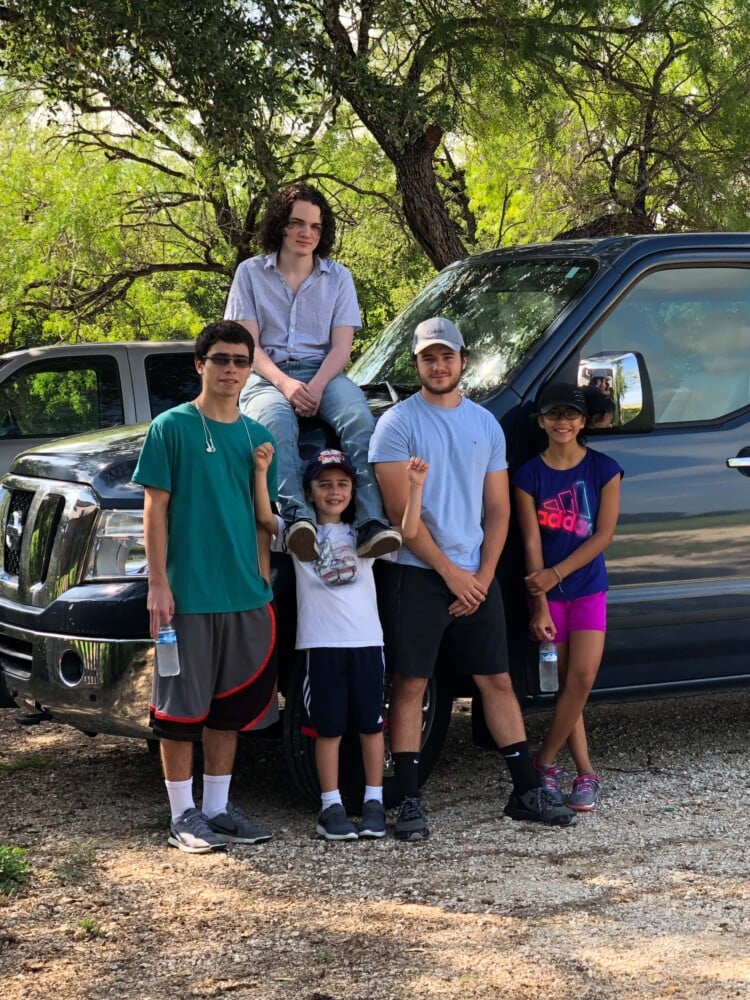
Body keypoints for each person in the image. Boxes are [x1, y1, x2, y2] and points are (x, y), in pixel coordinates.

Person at [369, 317, 576, 840]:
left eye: (447, 356)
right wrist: (452, 575)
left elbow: (499, 512)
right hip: (417, 574)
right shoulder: (396, 424)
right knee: (412, 683)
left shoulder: (485, 424)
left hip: (475, 577)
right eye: (427, 358)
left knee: (498, 679)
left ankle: (525, 789)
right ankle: (409, 799)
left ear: (464, 359)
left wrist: (480, 577)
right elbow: (400, 517)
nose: (438, 366)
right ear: (417, 364)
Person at [132, 320, 279, 854]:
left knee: (229, 710)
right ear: (200, 364)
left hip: (244, 596)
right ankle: (182, 816)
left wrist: (263, 582)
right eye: (221, 360)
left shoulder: (259, 438)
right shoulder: (170, 428)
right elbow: (155, 508)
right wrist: (158, 584)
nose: (231, 370)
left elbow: (264, 521)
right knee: (180, 710)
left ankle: (216, 808)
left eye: (241, 361)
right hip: (187, 596)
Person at [254, 447, 428, 840]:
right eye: (324, 484)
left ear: (353, 490)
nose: (334, 492)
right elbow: (265, 520)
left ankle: (373, 800)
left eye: (342, 484)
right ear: (309, 492)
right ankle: (329, 805)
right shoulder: (300, 534)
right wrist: (261, 472)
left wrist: (414, 487)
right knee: (327, 729)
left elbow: (410, 533)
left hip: (367, 642)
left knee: (370, 725)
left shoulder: (365, 534)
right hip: (321, 644)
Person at [224, 181, 400, 563]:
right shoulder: (250, 274)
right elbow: (248, 348)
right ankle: (296, 519)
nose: (306, 233)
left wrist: (316, 387)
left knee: (359, 420)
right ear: (279, 226)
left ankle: (371, 521)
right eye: (297, 223)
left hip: (324, 373)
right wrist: (286, 385)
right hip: (266, 375)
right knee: (275, 425)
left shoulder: (338, 277)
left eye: (316, 227)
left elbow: (342, 347)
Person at [513, 382, 623, 812]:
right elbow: (531, 542)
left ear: (583, 421)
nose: (563, 422)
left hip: (588, 588)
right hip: (548, 597)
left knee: (581, 680)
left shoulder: (604, 469)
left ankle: (543, 761)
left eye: (571, 415)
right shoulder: (528, 475)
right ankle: (585, 773)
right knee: (563, 688)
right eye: (554, 415)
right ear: (541, 421)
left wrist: (556, 574)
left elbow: (604, 534)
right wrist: (539, 600)